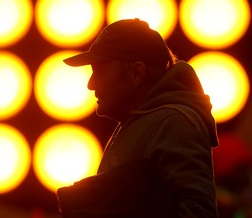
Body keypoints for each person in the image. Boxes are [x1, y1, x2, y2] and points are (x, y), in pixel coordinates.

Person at [56, 18, 219, 218]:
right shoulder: (146, 121)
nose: (91, 84)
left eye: (99, 70)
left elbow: (199, 212)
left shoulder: (172, 123)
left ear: (136, 72)